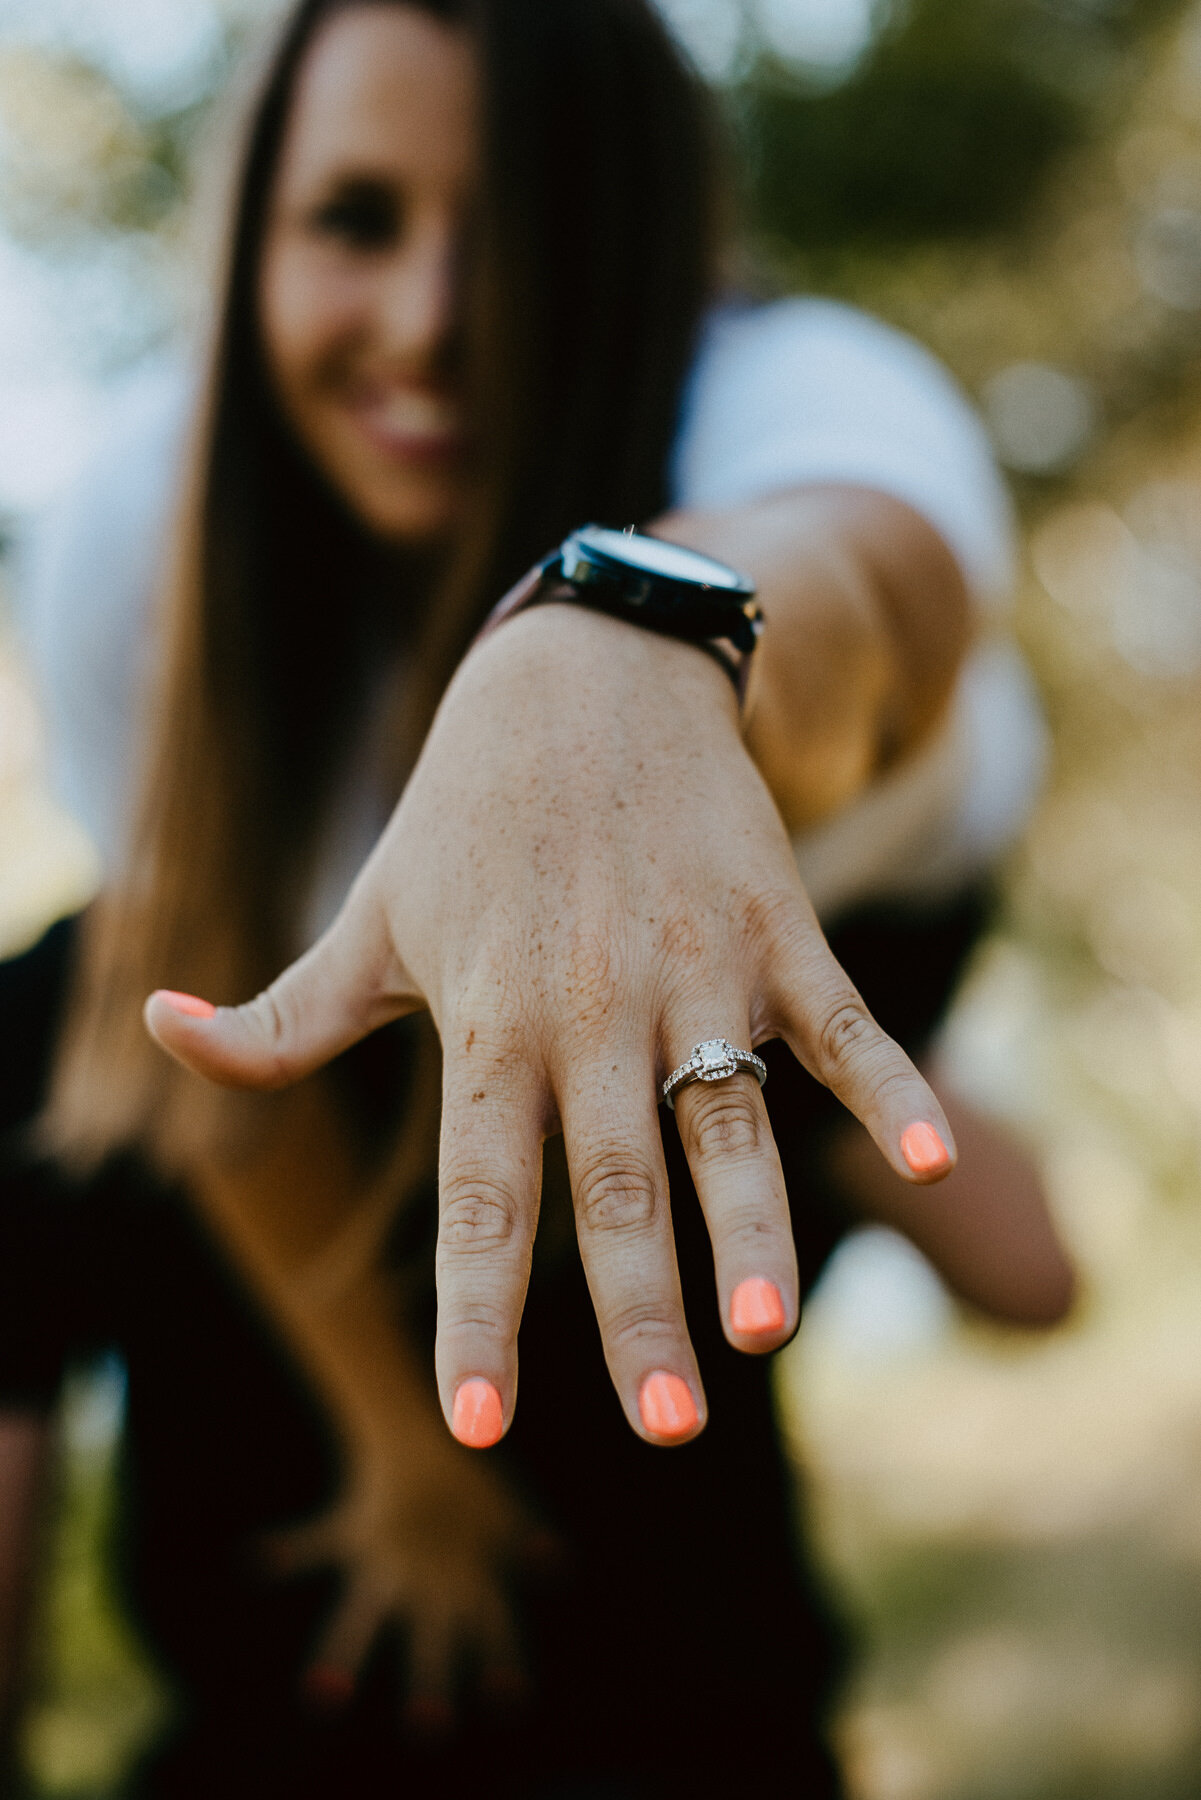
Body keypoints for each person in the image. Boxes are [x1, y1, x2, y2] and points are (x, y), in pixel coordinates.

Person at [0, 0, 1074, 1793]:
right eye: (355, 217)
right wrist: (398, 1454)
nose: (429, 320)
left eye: (514, 223)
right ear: (250, 235)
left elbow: (870, 589)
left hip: (831, 938)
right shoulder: (144, 538)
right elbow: (201, 1009)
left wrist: (629, 637)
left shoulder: (798, 388)